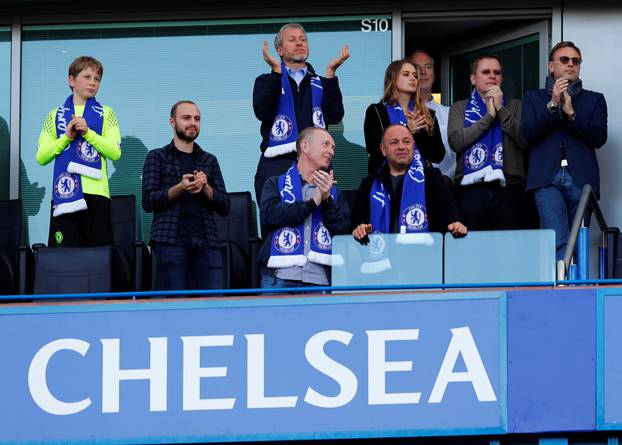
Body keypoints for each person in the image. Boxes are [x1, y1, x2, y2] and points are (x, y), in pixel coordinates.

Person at [522, 41, 607, 261]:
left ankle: (577, 291)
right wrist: (552, 106)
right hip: (546, 177)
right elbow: (527, 134)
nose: (571, 64)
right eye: (564, 60)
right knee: (556, 241)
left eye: (575, 61)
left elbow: (599, 137)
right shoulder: (534, 98)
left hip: (581, 178)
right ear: (551, 66)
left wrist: (571, 114)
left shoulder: (594, 99)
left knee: (578, 243)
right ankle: (561, 292)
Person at [253, 22, 349, 204]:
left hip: (316, 166)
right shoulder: (266, 80)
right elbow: (262, 111)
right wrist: (276, 73)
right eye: (292, 39)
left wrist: (331, 75)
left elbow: (335, 115)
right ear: (280, 50)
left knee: (319, 226)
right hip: (276, 166)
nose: (299, 43)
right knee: (277, 228)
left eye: (303, 39)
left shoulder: (321, 82)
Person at [142, 101, 230, 291]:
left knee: (214, 303)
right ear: (172, 122)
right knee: (176, 304)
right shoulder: (157, 156)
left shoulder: (209, 160)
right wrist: (179, 187)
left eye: (197, 119)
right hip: (170, 241)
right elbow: (148, 201)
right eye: (186, 118)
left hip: (207, 241)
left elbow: (225, 206)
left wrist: (207, 188)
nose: (193, 123)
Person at [37, 55, 121, 247]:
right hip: (64, 195)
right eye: (87, 77)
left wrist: (89, 133)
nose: (93, 83)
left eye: (97, 79)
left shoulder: (107, 112)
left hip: (97, 196)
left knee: (99, 258)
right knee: (63, 259)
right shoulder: (54, 114)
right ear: (71, 80)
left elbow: (115, 153)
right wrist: (67, 137)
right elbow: (41, 157)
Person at [258, 127, 350, 290]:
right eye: (326, 144)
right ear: (305, 146)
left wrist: (326, 199)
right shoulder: (276, 183)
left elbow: (342, 232)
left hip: (319, 281)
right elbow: (269, 217)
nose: (331, 151)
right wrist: (313, 202)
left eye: (333, 148)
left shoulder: (334, 192)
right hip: (278, 279)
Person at [448, 54, 527, 230]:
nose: (492, 76)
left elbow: (524, 139)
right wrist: (489, 118)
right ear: (473, 79)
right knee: (473, 249)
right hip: (471, 190)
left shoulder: (515, 106)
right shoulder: (460, 107)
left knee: (508, 249)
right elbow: (456, 141)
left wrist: (500, 109)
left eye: (497, 72)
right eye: (486, 72)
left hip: (509, 188)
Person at [352, 124, 466, 241]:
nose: (401, 147)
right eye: (394, 142)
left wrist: (454, 222)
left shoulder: (431, 177)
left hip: (424, 254)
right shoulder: (370, 183)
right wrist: (359, 227)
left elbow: (447, 206)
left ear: (413, 145)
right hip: (382, 255)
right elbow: (357, 220)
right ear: (383, 149)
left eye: (406, 142)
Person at [364, 59, 445, 175]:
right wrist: (407, 130)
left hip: (421, 182)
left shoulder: (427, 114)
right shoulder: (376, 111)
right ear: (393, 78)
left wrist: (418, 133)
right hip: (387, 183)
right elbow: (374, 150)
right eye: (406, 74)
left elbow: (437, 156)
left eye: (415, 76)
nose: (413, 78)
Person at [410, 50, 455, 186]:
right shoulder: (401, 112)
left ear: (434, 75)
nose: (423, 72)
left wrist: (448, 178)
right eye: (417, 68)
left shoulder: (450, 113)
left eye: (428, 67)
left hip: (445, 189)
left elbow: (460, 152)